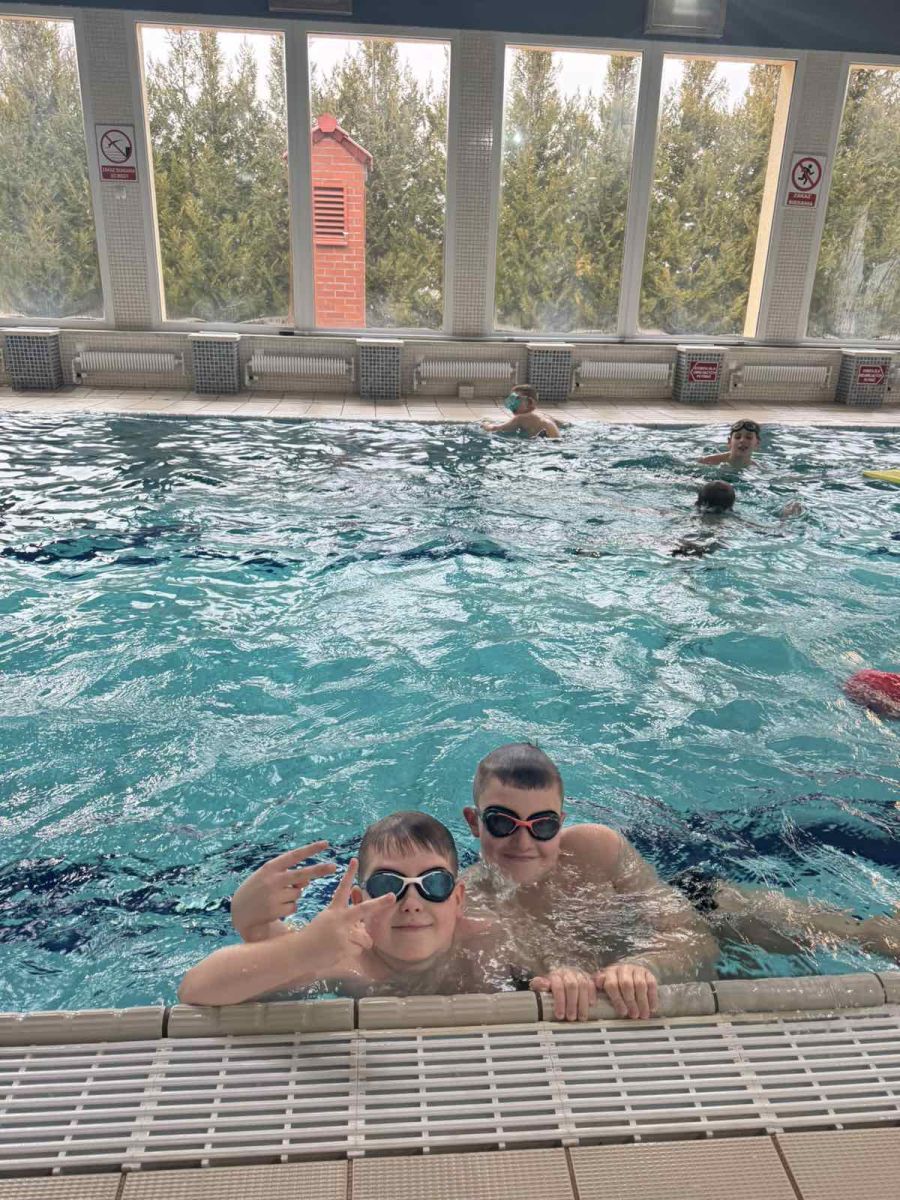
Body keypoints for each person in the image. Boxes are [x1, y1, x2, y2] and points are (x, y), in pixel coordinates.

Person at [184, 812, 606, 1018]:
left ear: (458, 899)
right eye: (389, 884)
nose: (412, 902)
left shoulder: (493, 939)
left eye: (434, 883)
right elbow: (196, 989)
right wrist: (302, 950)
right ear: (358, 903)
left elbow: (572, 962)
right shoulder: (341, 958)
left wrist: (568, 975)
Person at [461, 744, 721, 1020]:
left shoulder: (597, 849)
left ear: (560, 823)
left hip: (693, 896)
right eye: (502, 822)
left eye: (543, 824)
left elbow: (695, 937)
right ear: (474, 822)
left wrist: (644, 965)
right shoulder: (465, 905)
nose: (523, 842)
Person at [481, 385, 561, 439]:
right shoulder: (544, 415)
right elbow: (563, 425)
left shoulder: (520, 418)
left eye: (516, 400)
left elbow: (494, 429)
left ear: (530, 402)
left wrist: (486, 423)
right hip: (556, 442)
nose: (512, 404)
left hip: (543, 445)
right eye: (511, 399)